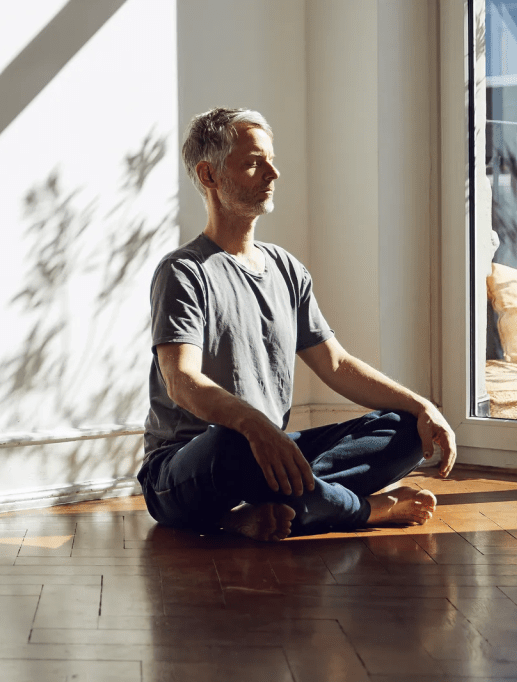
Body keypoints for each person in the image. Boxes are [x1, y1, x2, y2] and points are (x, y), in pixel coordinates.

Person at [139, 107, 457, 541]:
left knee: (405, 430)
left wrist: (422, 407)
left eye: (271, 160)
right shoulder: (184, 271)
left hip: (268, 449)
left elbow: (336, 364)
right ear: (209, 175)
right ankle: (360, 510)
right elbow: (181, 380)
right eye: (254, 163)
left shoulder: (286, 269)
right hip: (190, 465)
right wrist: (252, 425)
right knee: (234, 442)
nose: (273, 173)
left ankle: (266, 509)